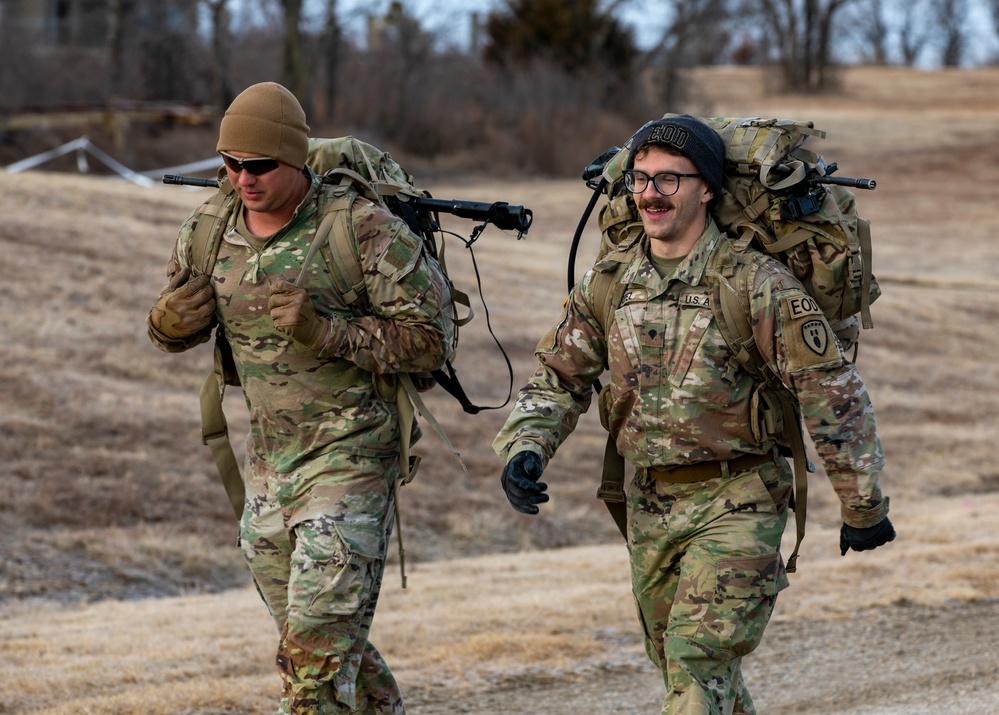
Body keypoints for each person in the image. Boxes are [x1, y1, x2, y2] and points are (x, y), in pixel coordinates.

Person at [492, 115, 895, 715]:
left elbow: (829, 390)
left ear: (706, 187)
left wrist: (862, 504)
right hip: (650, 506)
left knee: (695, 662)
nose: (651, 193)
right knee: (692, 677)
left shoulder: (756, 284)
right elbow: (560, 376)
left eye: (669, 180)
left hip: (740, 499)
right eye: (640, 179)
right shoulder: (608, 284)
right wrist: (527, 445)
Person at [147, 82, 449, 715]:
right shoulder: (210, 227)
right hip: (269, 466)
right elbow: (172, 326)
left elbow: (432, 342)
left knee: (311, 668)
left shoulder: (361, 231)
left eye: (258, 166)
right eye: (228, 165)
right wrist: (167, 325)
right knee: (319, 646)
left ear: (295, 159)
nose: (241, 179)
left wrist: (327, 330)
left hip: (352, 460)